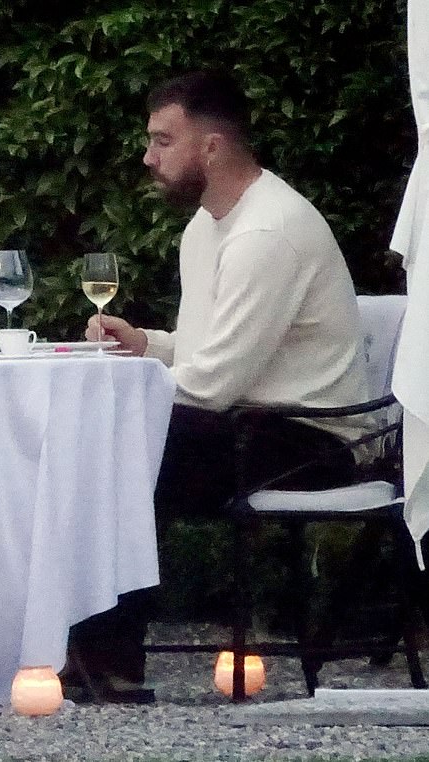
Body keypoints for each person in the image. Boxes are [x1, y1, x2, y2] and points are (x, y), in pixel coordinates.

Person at [69, 69, 372, 701]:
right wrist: (144, 343)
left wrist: (124, 397)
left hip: (316, 440)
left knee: (118, 448)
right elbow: (211, 353)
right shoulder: (207, 227)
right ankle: (95, 656)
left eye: (162, 141)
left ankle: (106, 661)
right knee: (103, 440)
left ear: (211, 146)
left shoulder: (268, 231)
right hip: (253, 418)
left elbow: (210, 386)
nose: (149, 157)